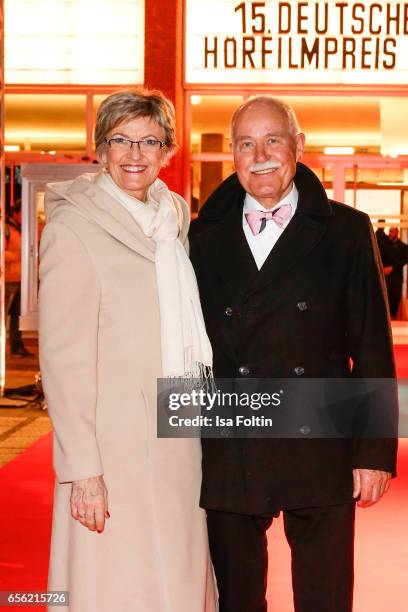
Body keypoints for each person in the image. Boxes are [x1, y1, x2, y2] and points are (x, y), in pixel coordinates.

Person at [189, 96, 397, 612]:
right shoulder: (198, 235)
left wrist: (372, 451)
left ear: (298, 147)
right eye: (245, 143)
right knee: (236, 595)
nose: (259, 154)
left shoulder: (347, 230)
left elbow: (371, 343)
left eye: (272, 140)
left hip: (319, 433)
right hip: (231, 433)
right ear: (231, 155)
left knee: (324, 594)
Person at [39, 89, 216, 612]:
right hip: (111, 448)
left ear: (168, 152)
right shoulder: (75, 228)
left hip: (175, 431)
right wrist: (83, 470)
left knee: (175, 576)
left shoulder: (173, 224)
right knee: (113, 582)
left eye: (149, 141)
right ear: (101, 148)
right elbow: (63, 359)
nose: (135, 153)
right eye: (121, 140)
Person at [5, 199, 32, 356]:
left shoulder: (20, 229)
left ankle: (16, 345)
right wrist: (20, 255)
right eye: (22, 212)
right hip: (8, 280)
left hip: (20, 279)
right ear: (15, 212)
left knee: (17, 316)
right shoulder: (7, 229)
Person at [385, 226, 408, 317]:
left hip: (396, 275)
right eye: (389, 231)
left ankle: (393, 315)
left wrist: (393, 267)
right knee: (385, 295)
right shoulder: (384, 245)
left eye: (392, 231)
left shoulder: (403, 246)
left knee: (395, 295)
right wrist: (383, 268)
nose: (390, 233)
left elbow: (404, 260)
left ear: (397, 232)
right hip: (385, 274)